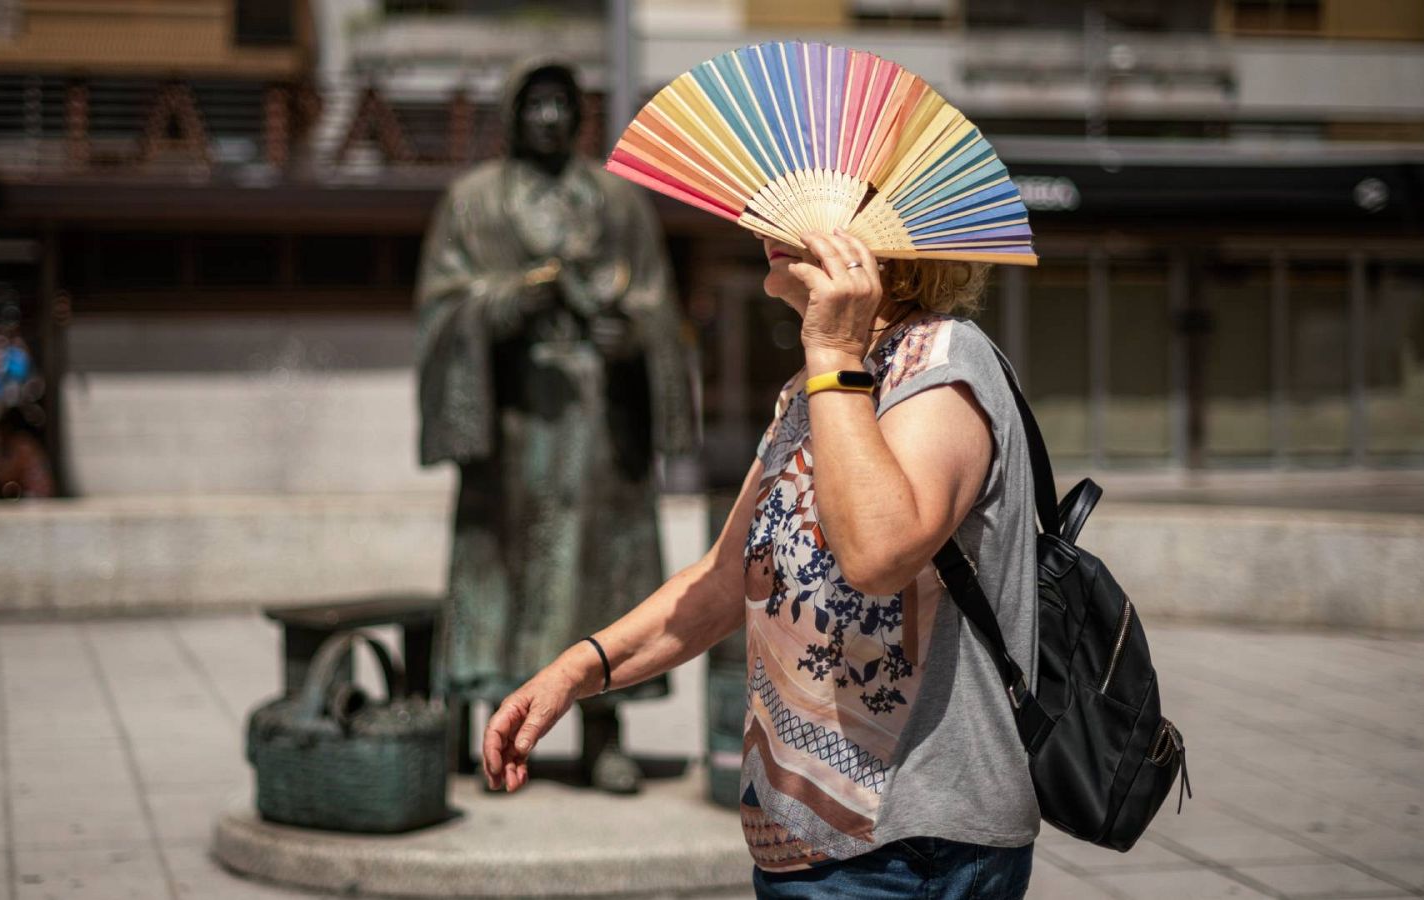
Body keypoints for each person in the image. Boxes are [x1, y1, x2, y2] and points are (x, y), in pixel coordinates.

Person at [483, 228, 1039, 898]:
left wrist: (834, 349)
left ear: (890, 239)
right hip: (804, 848)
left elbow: (878, 555)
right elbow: (723, 580)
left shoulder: (943, 360)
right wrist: (574, 673)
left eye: (811, 207)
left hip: (906, 852)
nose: (774, 229)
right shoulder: (809, 390)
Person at [413, 61, 695, 794]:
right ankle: (492, 730)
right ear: (512, 114)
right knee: (497, 573)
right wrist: (506, 304)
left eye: (560, 104)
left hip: (599, 424)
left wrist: (632, 342)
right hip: (511, 422)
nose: (547, 118)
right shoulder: (471, 202)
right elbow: (440, 310)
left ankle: (605, 734)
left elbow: (661, 310)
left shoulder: (619, 204)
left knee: (603, 575)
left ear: (579, 115)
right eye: (534, 104)